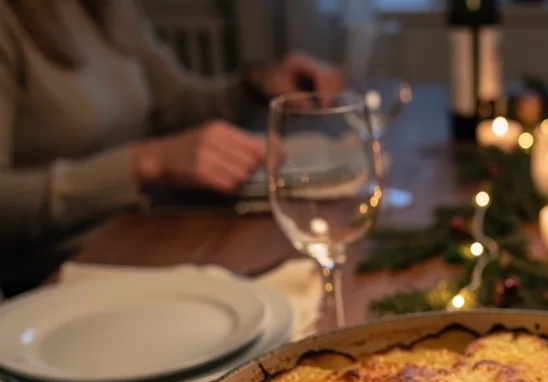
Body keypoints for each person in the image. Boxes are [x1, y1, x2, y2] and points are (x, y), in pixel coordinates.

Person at [0, 0, 346, 293]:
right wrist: (144, 163)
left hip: (143, 237)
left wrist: (257, 84)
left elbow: (177, 103)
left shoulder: (107, 8)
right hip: (60, 277)